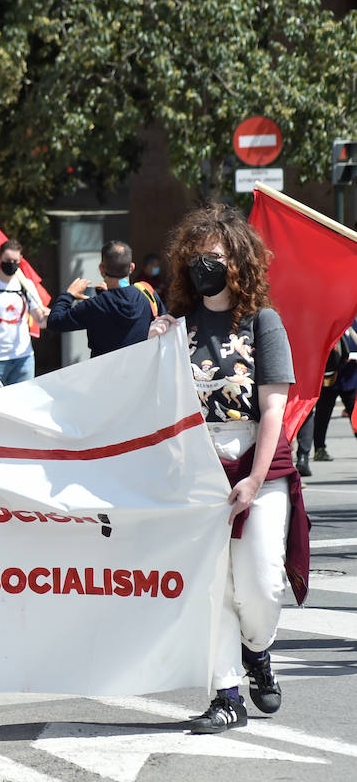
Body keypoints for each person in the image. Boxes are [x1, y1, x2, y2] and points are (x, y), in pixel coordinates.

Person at [147, 203, 300, 735]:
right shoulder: (175, 329)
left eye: (211, 257)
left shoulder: (264, 322)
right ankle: (226, 694)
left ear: (237, 260)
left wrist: (254, 480)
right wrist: (155, 348)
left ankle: (257, 649)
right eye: (193, 258)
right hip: (196, 469)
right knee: (212, 587)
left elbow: (274, 409)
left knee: (259, 585)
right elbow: (157, 405)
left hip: (257, 463)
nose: (200, 267)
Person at [45, 240, 164, 358]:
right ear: (131, 267)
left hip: (105, 374)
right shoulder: (147, 293)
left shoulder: (95, 306)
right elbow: (163, 321)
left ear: (102, 268)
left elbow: (54, 321)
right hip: (141, 370)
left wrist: (69, 295)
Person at [0, 239, 48, 384]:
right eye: (7, 260)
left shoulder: (27, 286)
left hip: (24, 357)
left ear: (21, 260)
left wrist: (50, 315)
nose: (11, 264)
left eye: (15, 260)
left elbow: (41, 322)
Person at [295, 324, 357, 473]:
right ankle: (319, 448)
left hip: (350, 376)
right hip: (328, 378)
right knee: (322, 416)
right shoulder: (328, 323)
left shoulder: (353, 324)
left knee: (354, 413)